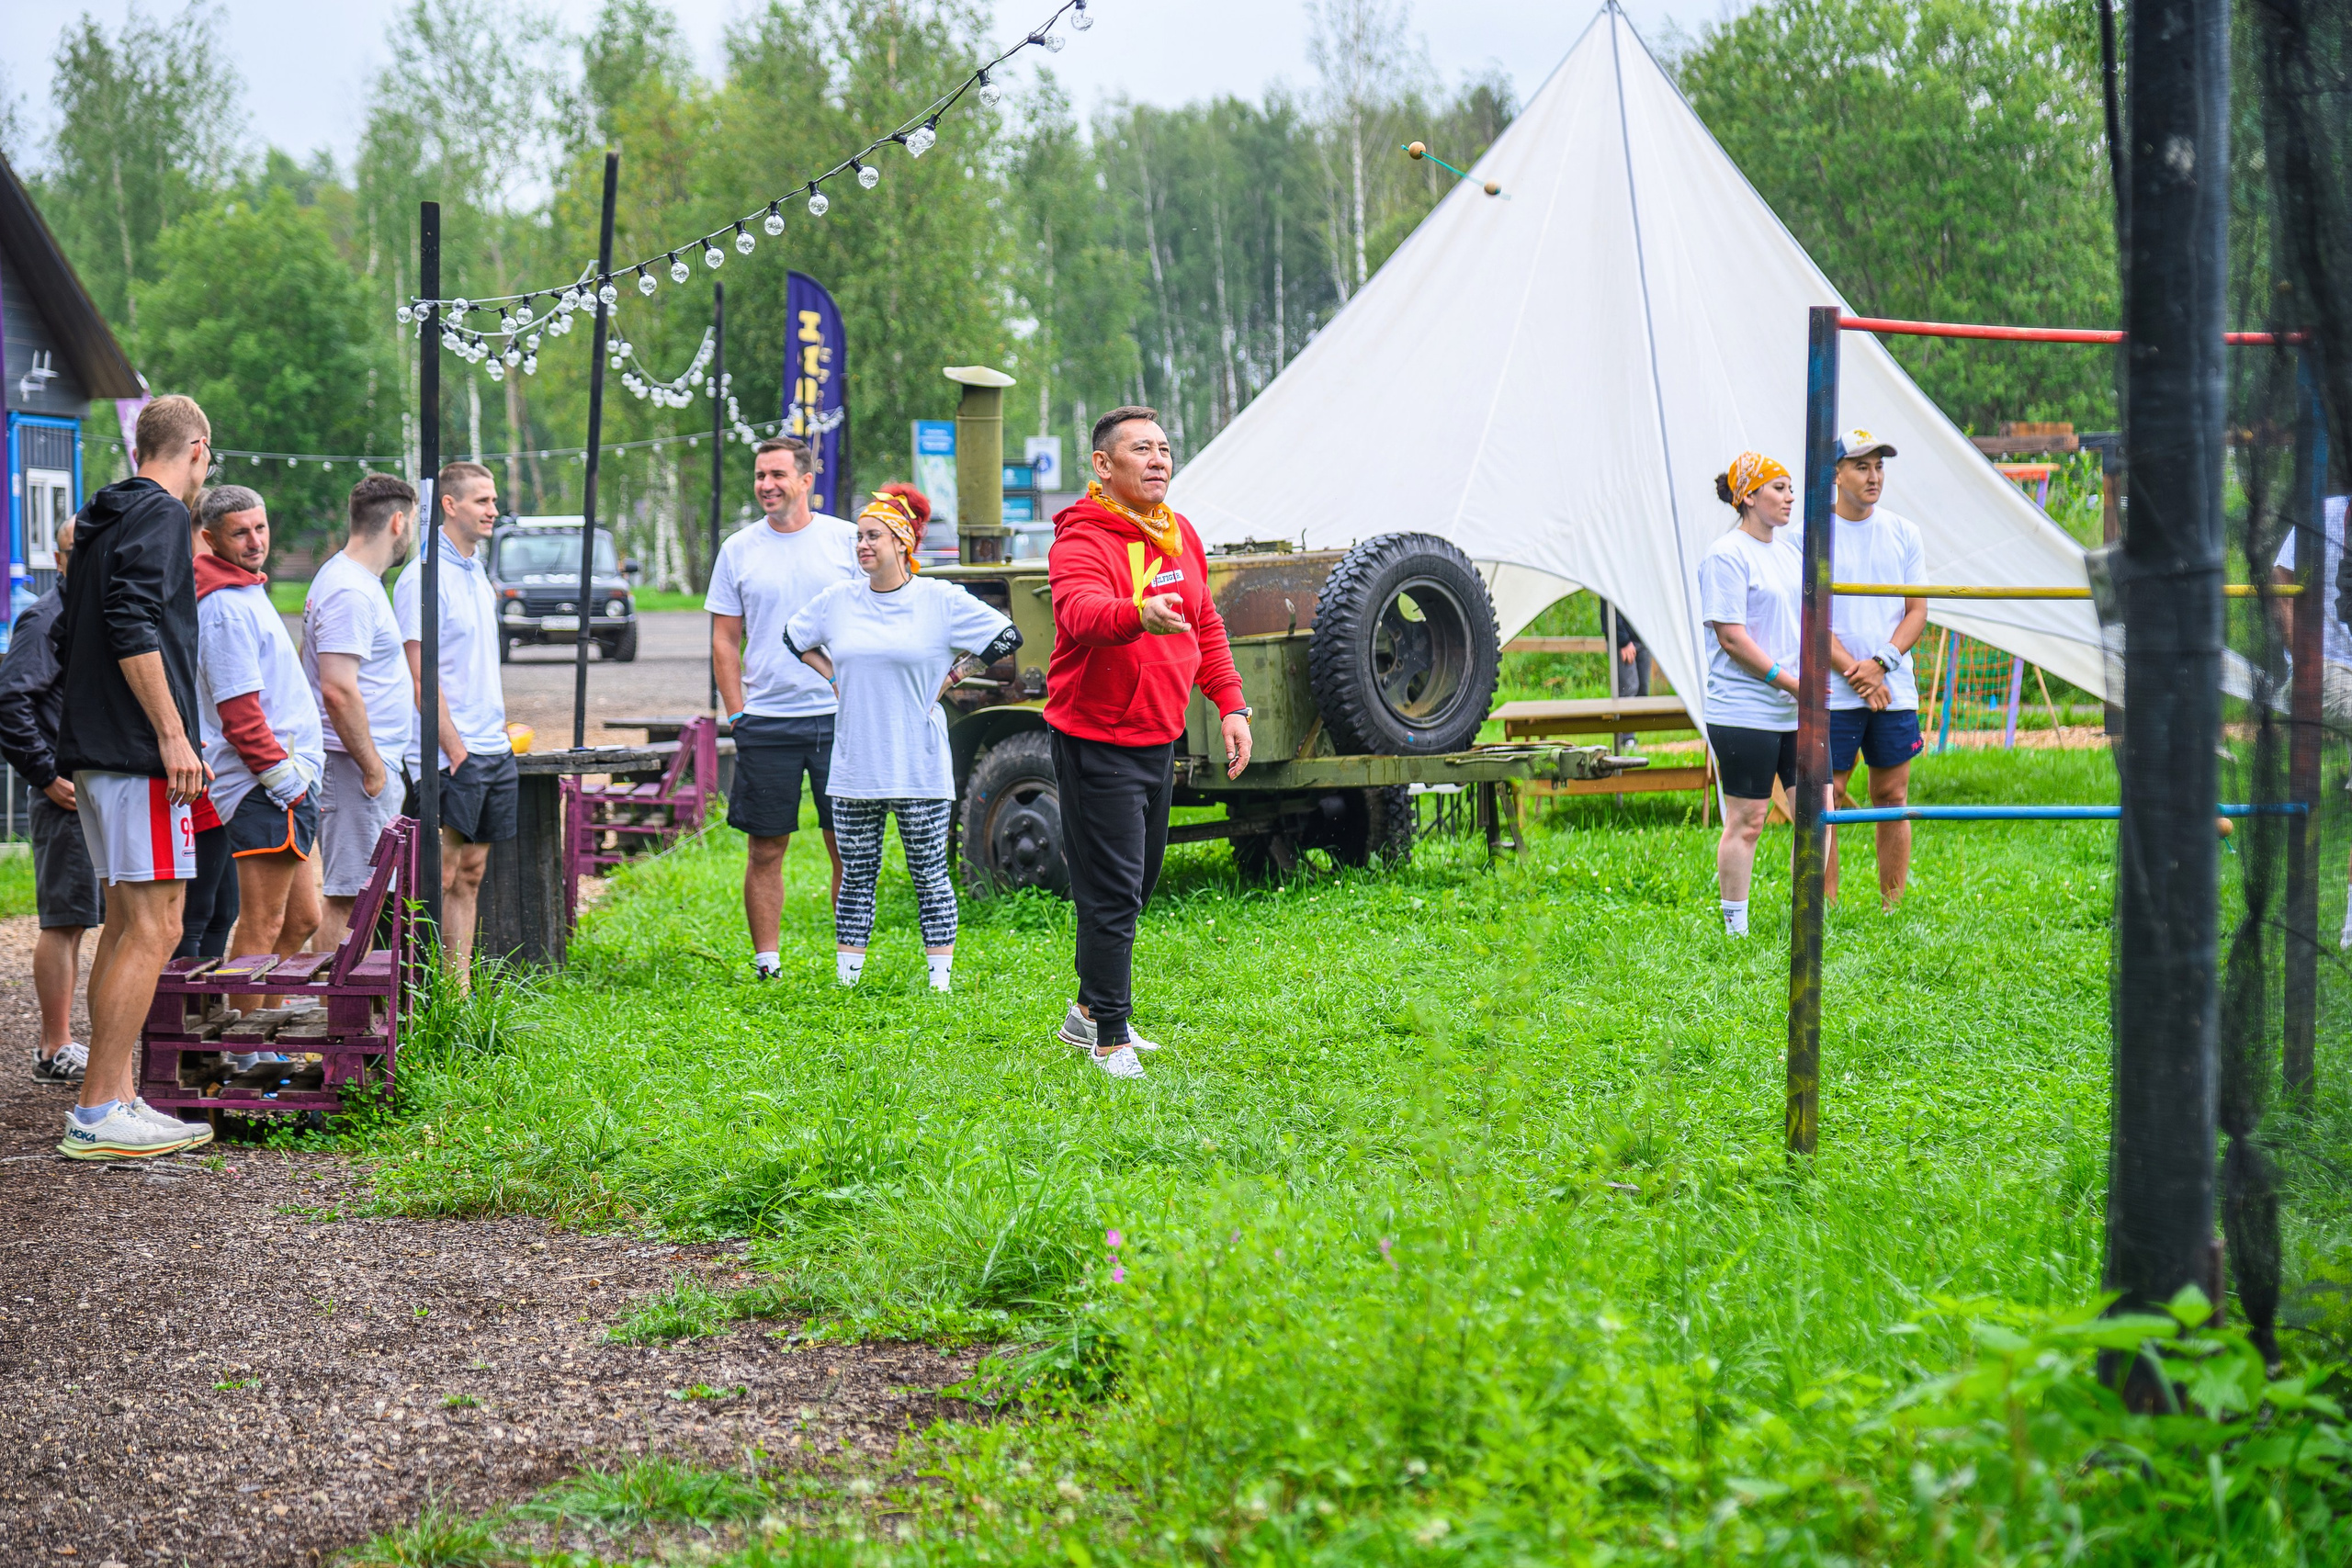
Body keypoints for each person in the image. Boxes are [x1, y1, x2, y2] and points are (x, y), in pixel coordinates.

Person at [1044, 406, 1251, 1078]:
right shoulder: (1082, 537)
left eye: (1164, 447)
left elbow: (1206, 622)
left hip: (1158, 733)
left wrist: (1230, 703)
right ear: (1104, 465)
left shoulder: (1178, 531)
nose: (1159, 459)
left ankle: (1086, 1012)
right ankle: (1110, 1037)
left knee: (1136, 882)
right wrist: (1137, 614)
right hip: (1097, 735)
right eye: (1142, 449)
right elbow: (1079, 612)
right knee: (1112, 891)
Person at [50, 393, 216, 1158]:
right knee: (157, 926)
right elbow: (130, 619)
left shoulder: (102, 518)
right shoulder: (162, 514)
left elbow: (78, 629)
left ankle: (115, 1095)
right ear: (197, 448)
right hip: (138, 752)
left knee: (126, 925)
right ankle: (96, 1112)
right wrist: (173, 735)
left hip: (99, 749)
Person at [786, 491, 1019, 992]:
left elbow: (1005, 637)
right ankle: (848, 983)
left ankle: (940, 985)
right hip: (855, 765)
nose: (862, 545)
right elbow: (794, 638)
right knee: (856, 877)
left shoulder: (939, 600)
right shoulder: (839, 601)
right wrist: (832, 677)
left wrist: (953, 676)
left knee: (930, 875)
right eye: (859, 537)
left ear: (902, 542)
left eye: (873, 536)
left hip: (919, 765)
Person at [707, 435, 860, 979]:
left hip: (840, 718)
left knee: (846, 843)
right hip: (766, 719)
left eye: (777, 475)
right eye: (760, 476)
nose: (766, 485)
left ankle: (849, 964)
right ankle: (767, 962)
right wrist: (737, 714)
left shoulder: (846, 540)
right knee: (766, 846)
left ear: (805, 480)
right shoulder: (738, 548)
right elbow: (725, 638)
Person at [194, 485, 324, 1043]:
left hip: (285, 780)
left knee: (302, 919)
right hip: (263, 785)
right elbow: (239, 711)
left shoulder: (245, 590)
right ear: (210, 538)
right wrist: (283, 779)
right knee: (263, 920)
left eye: (261, 528)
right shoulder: (223, 607)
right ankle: (244, 1051)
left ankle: (265, 1034)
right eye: (240, 533)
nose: (255, 541)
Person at [395, 460, 514, 991]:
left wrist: (495, 740)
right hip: (451, 753)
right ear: (449, 504)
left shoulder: (475, 570)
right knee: (438, 876)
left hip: (492, 747)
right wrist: (456, 749)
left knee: (471, 873)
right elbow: (421, 674)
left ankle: (457, 994)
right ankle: (420, 998)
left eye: (494, 500)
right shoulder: (423, 576)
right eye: (482, 501)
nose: (493, 510)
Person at [0, 519, 100, 1084]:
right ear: (59, 560)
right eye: (75, 550)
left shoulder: (92, 611)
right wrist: (45, 776)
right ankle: (53, 1046)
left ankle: (70, 1040)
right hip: (64, 796)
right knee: (64, 920)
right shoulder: (46, 617)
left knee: (85, 918)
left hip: (94, 792)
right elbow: (11, 700)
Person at [1699, 450, 1808, 939]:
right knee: (1749, 820)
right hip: (1744, 709)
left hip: (1796, 708)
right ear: (1747, 497)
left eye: (1790, 488)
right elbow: (1731, 638)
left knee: (1816, 813)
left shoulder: (1791, 554)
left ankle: (1807, 917)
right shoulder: (1726, 554)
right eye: (1778, 488)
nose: (1789, 497)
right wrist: (1792, 682)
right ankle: (1735, 930)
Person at [305, 474, 416, 950]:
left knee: (362, 897)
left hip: (364, 762)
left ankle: (349, 996)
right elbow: (337, 689)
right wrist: (372, 767)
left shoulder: (355, 581)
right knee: (349, 898)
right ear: (398, 522)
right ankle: (336, 997)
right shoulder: (349, 589)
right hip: (353, 766)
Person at [1822, 431, 1928, 908]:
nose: (1874, 476)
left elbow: (1917, 611)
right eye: (1862, 466)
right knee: (1827, 798)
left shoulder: (1904, 532)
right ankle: (1825, 909)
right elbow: (1808, 618)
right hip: (1834, 689)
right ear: (1836, 473)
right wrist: (1857, 673)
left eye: (1879, 466)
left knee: (1892, 795)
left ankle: (1893, 907)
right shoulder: (1811, 535)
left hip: (1892, 687)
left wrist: (1882, 664)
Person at [2268, 489, 2352, 943]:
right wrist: (2302, 657)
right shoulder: (2324, 516)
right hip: (2324, 671)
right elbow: (2279, 577)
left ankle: (2350, 925)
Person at [176, 502, 238, 964]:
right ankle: (184, 1006)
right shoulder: (192, 594)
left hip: (219, 769)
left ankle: (207, 1002)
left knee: (224, 909)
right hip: (199, 768)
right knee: (196, 911)